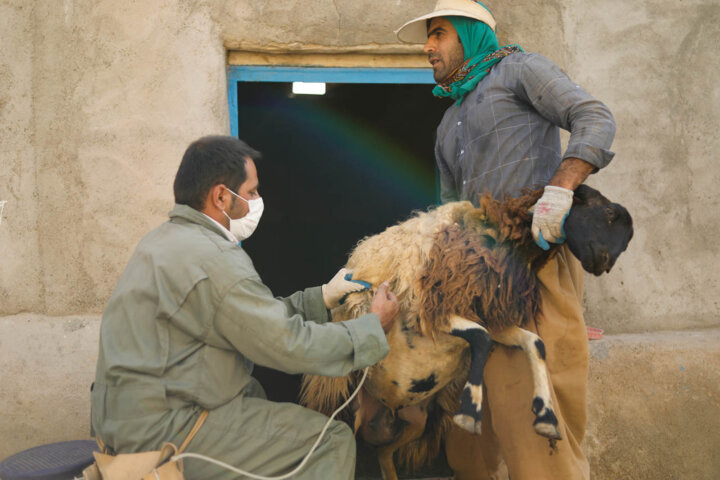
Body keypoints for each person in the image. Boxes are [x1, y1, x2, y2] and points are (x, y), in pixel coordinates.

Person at [90, 135, 400, 479]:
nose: (257, 201)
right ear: (221, 196)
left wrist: (322, 298)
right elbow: (285, 344)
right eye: (251, 192)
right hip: (168, 427)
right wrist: (371, 328)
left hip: (124, 420)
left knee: (253, 394)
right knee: (329, 440)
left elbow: (244, 319)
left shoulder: (160, 242)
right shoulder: (215, 258)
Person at [396, 1, 616, 479]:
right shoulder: (447, 122)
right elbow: (448, 212)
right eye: (427, 38)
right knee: (470, 441)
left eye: (438, 33)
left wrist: (560, 189)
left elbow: (594, 117)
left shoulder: (520, 70)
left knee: (536, 431)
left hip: (531, 269)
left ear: (472, 33)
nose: (428, 47)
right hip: (475, 285)